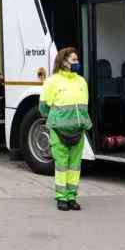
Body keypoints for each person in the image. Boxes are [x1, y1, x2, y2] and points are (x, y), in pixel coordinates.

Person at [39, 47, 92, 211]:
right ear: (63, 62)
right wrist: (58, 121)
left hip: (78, 130)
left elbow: (84, 107)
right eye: (74, 60)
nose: (77, 63)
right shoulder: (52, 81)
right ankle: (61, 198)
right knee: (61, 165)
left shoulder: (81, 81)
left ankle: (71, 197)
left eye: (77, 60)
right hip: (58, 131)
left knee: (75, 166)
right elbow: (43, 108)